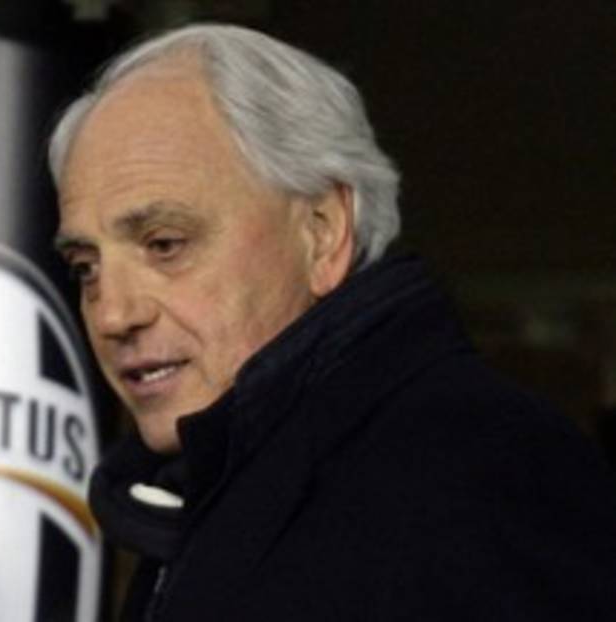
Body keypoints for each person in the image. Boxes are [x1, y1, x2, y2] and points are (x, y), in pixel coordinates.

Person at [48, 23, 616, 621]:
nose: (113, 314)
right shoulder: (209, 489)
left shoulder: (481, 470)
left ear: (322, 233)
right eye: (86, 268)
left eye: (165, 244)